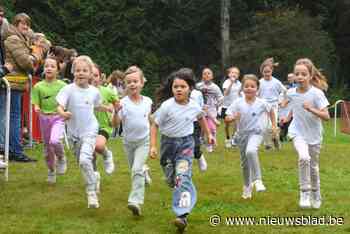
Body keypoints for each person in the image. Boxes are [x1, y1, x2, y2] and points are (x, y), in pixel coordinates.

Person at [150, 69, 214, 232]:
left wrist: (208, 135)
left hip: (186, 145)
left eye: (182, 86)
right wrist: (153, 146)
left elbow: (200, 118)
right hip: (168, 145)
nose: (178, 89)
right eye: (175, 86)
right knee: (172, 178)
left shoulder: (194, 105)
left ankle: (182, 215)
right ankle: (176, 182)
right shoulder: (166, 106)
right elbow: (155, 125)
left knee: (183, 177)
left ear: (190, 89)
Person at [56, 55, 113, 208]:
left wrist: (106, 108)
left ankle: (91, 192)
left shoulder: (94, 92)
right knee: (82, 163)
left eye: (84, 70)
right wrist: (63, 113)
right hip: (73, 133)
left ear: (90, 74)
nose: (81, 73)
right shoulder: (67, 89)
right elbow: (59, 106)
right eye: (78, 70)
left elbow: (96, 105)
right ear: (73, 72)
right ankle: (95, 175)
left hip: (90, 130)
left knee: (84, 160)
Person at [280, 58, 329, 209]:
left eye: (303, 74)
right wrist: (285, 117)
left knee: (313, 167)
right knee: (304, 157)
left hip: (314, 135)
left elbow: (326, 116)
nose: (300, 77)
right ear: (294, 76)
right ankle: (304, 193)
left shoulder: (317, 94)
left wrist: (311, 109)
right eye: (297, 74)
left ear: (310, 76)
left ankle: (316, 193)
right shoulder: (290, 93)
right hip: (297, 132)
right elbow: (291, 106)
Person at [225, 74, 277, 199]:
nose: (249, 88)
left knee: (251, 151)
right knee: (245, 164)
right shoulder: (237, 103)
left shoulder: (262, 103)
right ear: (242, 88)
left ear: (257, 89)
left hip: (257, 133)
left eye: (252, 86)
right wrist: (231, 118)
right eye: (246, 86)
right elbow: (227, 117)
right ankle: (247, 186)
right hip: (242, 134)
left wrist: (274, 125)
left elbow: (271, 111)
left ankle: (258, 180)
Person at [0, 13, 43, 162]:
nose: (25, 26)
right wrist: (35, 57)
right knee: (12, 118)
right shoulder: (13, 39)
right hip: (11, 83)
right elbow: (25, 62)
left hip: (17, 83)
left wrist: (33, 57)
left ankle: (12, 150)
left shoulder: (22, 39)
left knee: (13, 118)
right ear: (15, 24)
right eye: (22, 23)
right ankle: (13, 151)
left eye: (27, 24)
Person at [113, 65, 152, 216]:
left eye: (135, 81)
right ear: (125, 85)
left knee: (136, 170)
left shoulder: (148, 101)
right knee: (135, 170)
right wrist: (116, 112)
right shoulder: (123, 103)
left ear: (142, 83)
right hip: (128, 143)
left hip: (144, 142)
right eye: (129, 82)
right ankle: (144, 172)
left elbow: (150, 118)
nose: (132, 84)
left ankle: (135, 201)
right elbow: (115, 124)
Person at [32, 57, 67, 183]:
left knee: (55, 140)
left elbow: (69, 100)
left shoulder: (63, 86)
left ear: (57, 70)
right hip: (44, 118)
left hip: (58, 117)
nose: (49, 68)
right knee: (48, 148)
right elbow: (35, 102)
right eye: (47, 66)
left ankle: (62, 157)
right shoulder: (38, 86)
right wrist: (36, 107)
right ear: (43, 69)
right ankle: (51, 170)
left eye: (52, 66)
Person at [90, 64, 117, 192]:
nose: (93, 78)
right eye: (91, 75)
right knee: (90, 155)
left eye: (96, 75)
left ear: (100, 78)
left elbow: (117, 103)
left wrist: (114, 111)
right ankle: (95, 177)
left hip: (103, 126)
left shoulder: (106, 91)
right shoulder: (83, 91)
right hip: (87, 128)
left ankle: (107, 155)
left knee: (98, 146)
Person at [258, 57, 286, 150]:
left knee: (271, 125)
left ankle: (276, 138)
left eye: (268, 72)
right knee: (263, 126)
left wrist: (280, 100)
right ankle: (267, 144)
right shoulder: (259, 82)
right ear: (262, 72)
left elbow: (284, 91)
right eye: (265, 72)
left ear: (272, 71)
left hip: (273, 106)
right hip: (262, 107)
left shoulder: (276, 82)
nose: (267, 74)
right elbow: (256, 94)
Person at [196, 67, 223, 153]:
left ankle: (209, 145)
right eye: (204, 73)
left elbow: (221, 98)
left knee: (211, 128)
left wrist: (216, 105)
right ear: (202, 76)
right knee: (202, 127)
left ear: (212, 76)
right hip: (201, 110)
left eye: (209, 73)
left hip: (211, 111)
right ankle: (202, 138)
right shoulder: (198, 86)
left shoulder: (215, 87)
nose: (206, 75)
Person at [222, 66, 241, 148]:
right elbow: (225, 93)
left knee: (236, 124)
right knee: (227, 124)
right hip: (226, 106)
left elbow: (240, 93)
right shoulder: (226, 82)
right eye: (232, 72)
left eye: (236, 73)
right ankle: (227, 138)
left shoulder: (239, 83)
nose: (234, 74)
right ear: (229, 74)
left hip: (236, 107)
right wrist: (231, 83)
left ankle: (234, 140)